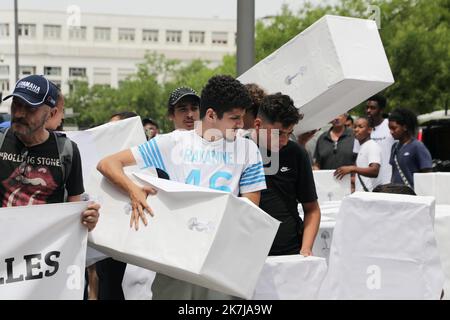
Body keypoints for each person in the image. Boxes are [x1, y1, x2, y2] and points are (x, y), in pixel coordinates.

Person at [97, 75, 265, 299]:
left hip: (221, 262)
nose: (241, 124)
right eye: (235, 118)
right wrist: (133, 191)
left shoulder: (249, 150)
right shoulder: (172, 142)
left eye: (242, 117)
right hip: (176, 259)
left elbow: (250, 207)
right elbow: (108, 164)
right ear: (212, 115)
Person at [250, 93, 320, 256]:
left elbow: (312, 209)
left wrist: (306, 248)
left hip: (290, 251)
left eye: (289, 133)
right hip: (249, 253)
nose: (284, 140)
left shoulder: (297, 154)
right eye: (279, 133)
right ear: (258, 125)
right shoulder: (239, 151)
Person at [354, 94, 395, 184]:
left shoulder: (390, 126)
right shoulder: (361, 131)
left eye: (372, 108)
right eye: (367, 107)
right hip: (367, 184)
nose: (368, 111)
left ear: (381, 110)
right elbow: (358, 159)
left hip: (388, 181)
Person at [334, 117, 382, 192]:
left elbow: (375, 171)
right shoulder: (362, 146)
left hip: (369, 196)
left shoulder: (372, 146)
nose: (356, 130)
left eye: (360, 127)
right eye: (355, 127)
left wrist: (352, 168)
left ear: (369, 130)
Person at [388, 108, 432, 189]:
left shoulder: (418, 146)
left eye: (394, 128)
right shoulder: (394, 147)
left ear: (405, 127)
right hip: (395, 195)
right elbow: (394, 173)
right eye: (389, 128)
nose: (391, 132)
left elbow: (427, 174)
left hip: (412, 196)